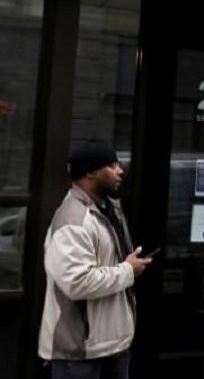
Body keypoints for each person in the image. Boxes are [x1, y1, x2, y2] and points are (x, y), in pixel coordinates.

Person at [38, 139, 153, 379]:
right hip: (80, 354)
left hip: (113, 346)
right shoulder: (73, 219)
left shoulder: (109, 209)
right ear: (90, 172)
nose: (120, 170)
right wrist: (128, 271)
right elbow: (77, 281)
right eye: (111, 165)